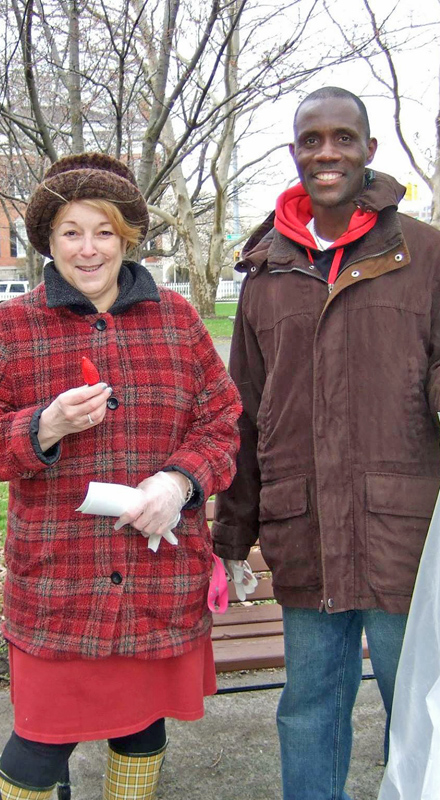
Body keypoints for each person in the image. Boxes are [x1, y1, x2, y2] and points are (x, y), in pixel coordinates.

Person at [212, 86, 440, 800]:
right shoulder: (265, 269)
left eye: (344, 138)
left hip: (406, 536)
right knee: (308, 711)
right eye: (312, 140)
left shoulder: (425, 253)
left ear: (370, 151)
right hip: (303, 529)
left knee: (422, 717)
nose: (327, 152)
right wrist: (232, 537)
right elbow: (245, 411)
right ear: (295, 153)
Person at [0, 152, 241, 800]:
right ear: (48, 239)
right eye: (71, 231)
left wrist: (178, 484)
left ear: (127, 236)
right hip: (58, 586)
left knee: (140, 729)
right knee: (39, 743)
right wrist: (41, 428)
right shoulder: (13, 326)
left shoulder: (177, 318)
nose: (88, 249)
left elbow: (221, 421)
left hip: (155, 577)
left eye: (103, 231)